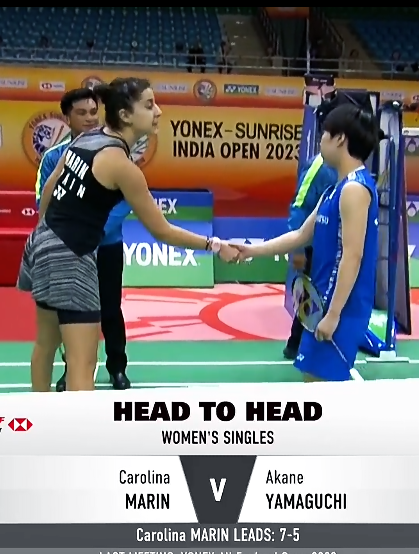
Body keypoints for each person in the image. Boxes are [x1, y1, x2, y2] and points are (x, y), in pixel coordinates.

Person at [20, 77, 239, 392]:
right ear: (124, 115)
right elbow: (162, 231)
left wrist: (47, 230)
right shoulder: (123, 167)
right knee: (82, 364)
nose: (158, 112)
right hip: (72, 255)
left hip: (42, 243)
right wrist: (215, 245)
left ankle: (36, 415)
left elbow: (51, 185)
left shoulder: (86, 138)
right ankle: (77, 426)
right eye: (149, 105)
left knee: (46, 344)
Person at [230, 103, 381, 382]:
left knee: (321, 390)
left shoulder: (354, 190)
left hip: (340, 309)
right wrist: (251, 250)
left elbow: (353, 256)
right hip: (320, 305)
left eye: (325, 134)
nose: (321, 140)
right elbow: (300, 235)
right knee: (314, 384)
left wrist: (333, 315)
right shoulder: (334, 190)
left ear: (340, 139)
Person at [36, 88, 132, 391]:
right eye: (82, 113)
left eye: (93, 112)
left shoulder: (115, 151)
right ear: (67, 118)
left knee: (111, 309)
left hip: (106, 246)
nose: (90, 118)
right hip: (71, 250)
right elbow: (44, 200)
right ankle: (73, 371)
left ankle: (117, 367)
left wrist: (96, 231)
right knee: (72, 314)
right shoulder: (53, 157)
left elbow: (125, 201)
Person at [282, 150, 337, 360]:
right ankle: (295, 344)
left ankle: (325, 344)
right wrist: (297, 249)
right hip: (315, 245)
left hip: (336, 245)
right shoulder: (319, 165)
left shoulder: (350, 168)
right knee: (311, 295)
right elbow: (300, 205)